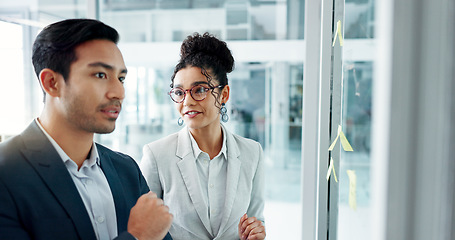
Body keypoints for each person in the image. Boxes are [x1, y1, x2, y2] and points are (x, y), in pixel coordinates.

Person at [0, 19, 173, 240]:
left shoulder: (126, 170)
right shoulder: (6, 174)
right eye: (100, 75)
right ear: (52, 82)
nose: (118, 92)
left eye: (121, 78)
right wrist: (138, 236)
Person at [140, 32, 266, 240]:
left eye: (199, 90)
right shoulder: (157, 155)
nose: (187, 101)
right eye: (180, 92)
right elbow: (143, 230)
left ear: (224, 94)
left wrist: (257, 233)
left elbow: (256, 220)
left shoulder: (252, 153)